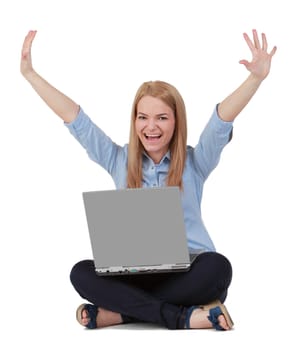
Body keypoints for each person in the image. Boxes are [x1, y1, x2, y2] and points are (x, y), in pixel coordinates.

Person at [20, 29, 276, 331]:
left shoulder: (195, 162)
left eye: (162, 117)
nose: (151, 126)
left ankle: (122, 313)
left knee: (218, 268)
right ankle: (182, 317)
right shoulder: (119, 160)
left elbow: (221, 121)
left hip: (190, 271)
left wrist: (255, 78)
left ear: (176, 121)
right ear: (135, 121)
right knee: (81, 273)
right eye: (143, 117)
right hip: (133, 273)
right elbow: (77, 120)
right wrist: (30, 74)